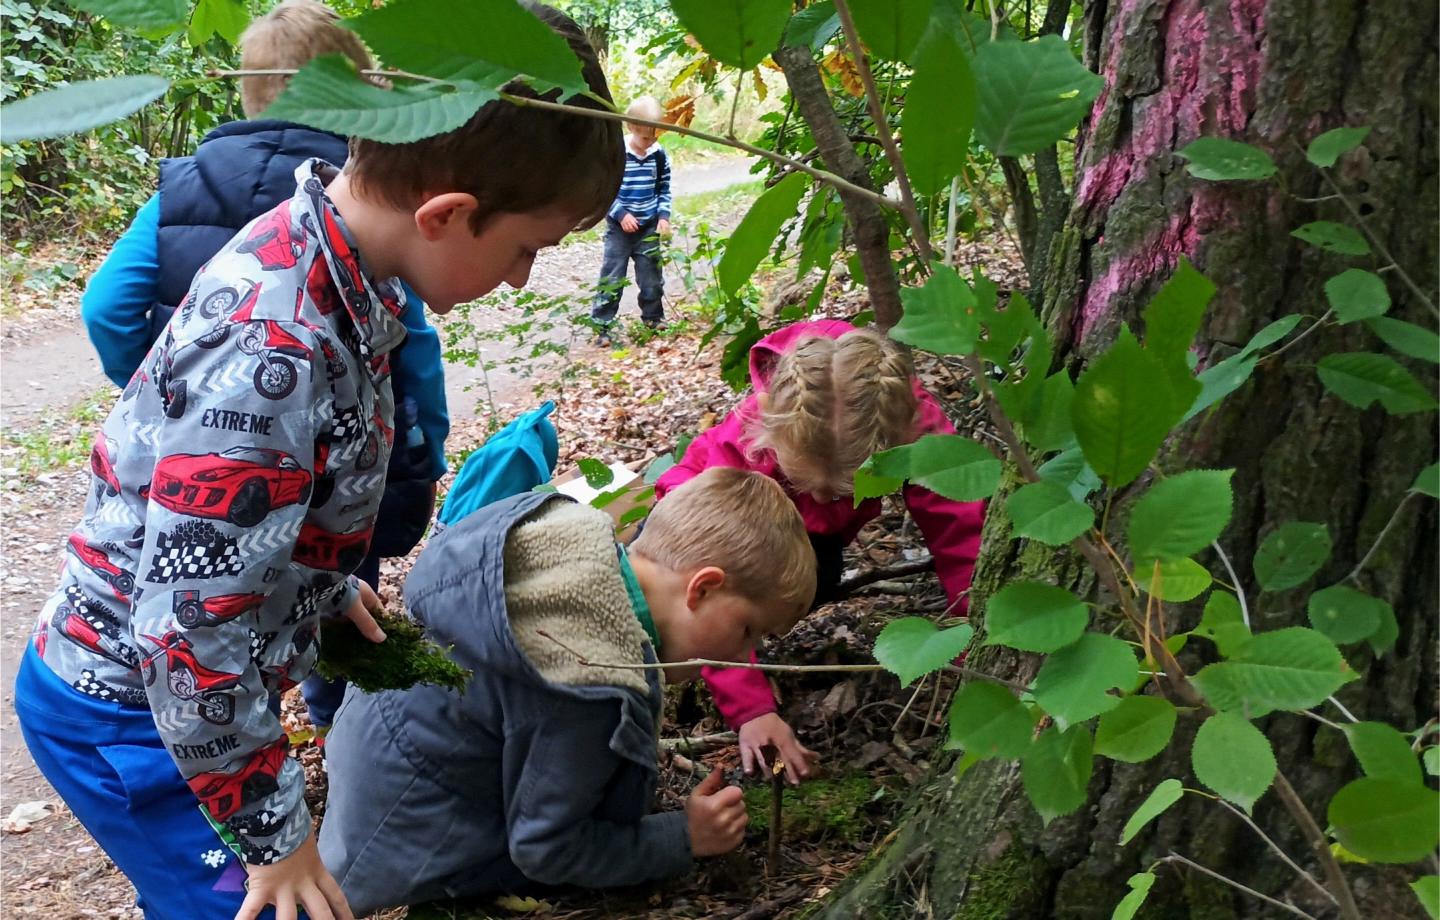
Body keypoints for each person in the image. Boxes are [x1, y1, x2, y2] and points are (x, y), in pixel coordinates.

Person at [13, 4, 622, 918]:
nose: (522, 276)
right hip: (133, 710)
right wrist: (276, 835)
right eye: (527, 248)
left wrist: (318, 588)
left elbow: (270, 501)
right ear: (448, 214)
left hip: (183, 698)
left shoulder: (339, 263)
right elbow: (186, 631)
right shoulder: (276, 347)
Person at [75, 0, 451, 740]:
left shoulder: (180, 190)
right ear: (357, 92)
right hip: (337, 467)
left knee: (215, 594)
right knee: (334, 582)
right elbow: (411, 341)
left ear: (247, 93)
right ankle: (338, 729)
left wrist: (176, 398)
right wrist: (423, 448)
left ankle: (235, 726)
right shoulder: (362, 193)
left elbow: (108, 307)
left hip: (214, 470)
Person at [317, 468, 816, 914]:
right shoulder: (586, 679)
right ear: (701, 588)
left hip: (374, 748)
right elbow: (547, 849)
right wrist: (682, 837)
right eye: (748, 631)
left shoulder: (566, 559)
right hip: (408, 832)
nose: (743, 654)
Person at [654, 319, 988, 784]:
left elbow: (962, 536)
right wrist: (751, 708)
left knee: (818, 575)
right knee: (702, 608)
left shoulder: (912, 425)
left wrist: (977, 643)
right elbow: (709, 578)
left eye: (846, 489)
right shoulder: (752, 437)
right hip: (696, 524)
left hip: (805, 538)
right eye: (808, 483)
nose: (826, 499)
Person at [590, 95, 672, 344]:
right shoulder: (617, 155)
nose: (651, 142)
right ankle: (602, 325)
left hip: (648, 226)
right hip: (619, 229)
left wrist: (663, 216)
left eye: (655, 137)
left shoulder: (658, 155)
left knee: (651, 277)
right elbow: (604, 190)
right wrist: (621, 213)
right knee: (613, 277)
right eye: (646, 138)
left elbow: (664, 188)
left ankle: (653, 318)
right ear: (631, 127)